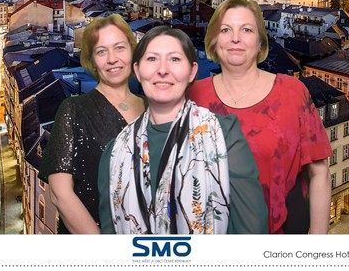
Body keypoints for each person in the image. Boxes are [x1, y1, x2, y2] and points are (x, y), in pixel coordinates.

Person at [98, 26, 267, 234]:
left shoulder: (224, 135)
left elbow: (252, 231)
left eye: (175, 59)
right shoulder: (115, 153)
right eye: (152, 59)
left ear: (192, 72)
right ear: (138, 71)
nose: (162, 70)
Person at [187, 0, 332, 234]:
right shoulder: (193, 96)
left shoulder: (292, 92)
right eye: (225, 30)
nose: (235, 38)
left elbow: (319, 172)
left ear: (260, 42)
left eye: (246, 29)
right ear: (213, 41)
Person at [38, 14, 145, 234]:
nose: (112, 59)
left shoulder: (153, 108)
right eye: (101, 51)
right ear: (92, 61)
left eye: (119, 48)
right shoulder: (74, 109)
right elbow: (59, 193)